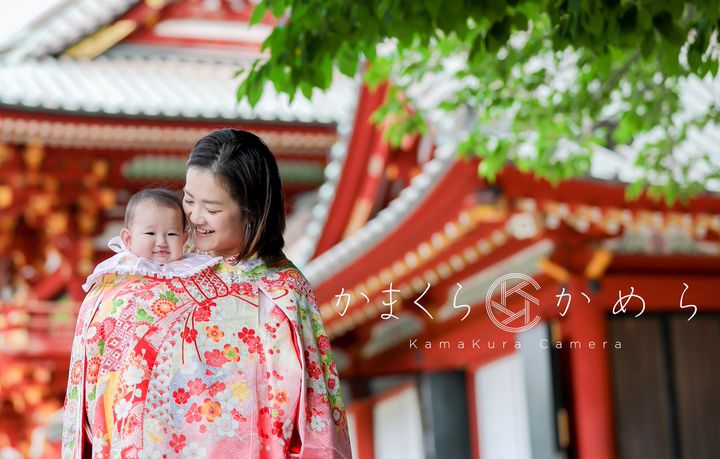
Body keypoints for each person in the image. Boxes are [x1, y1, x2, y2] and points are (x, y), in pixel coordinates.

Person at [62, 129, 351, 459]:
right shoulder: (142, 269)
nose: (195, 218)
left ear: (251, 211)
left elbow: (314, 415)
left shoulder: (282, 292)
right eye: (189, 200)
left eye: (211, 209)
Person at [81, 189, 221, 293]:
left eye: (171, 234)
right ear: (128, 239)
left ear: (183, 239)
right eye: (150, 233)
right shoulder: (122, 269)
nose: (161, 242)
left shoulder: (194, 268)